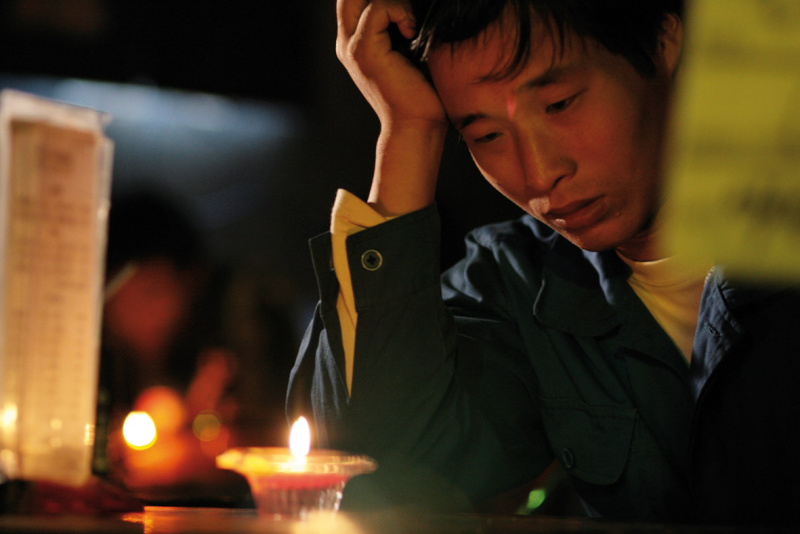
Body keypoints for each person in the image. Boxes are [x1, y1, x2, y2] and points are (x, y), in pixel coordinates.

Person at [287, 0, 800, 526]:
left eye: (559, 104)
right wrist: (408, 128)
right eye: (486, 136)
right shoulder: (524, 284)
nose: (539, 173)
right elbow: (373, 464)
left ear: (663, 41)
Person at [98, 188, 297, 503]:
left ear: (191, 282)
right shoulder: (97, 347)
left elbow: (288, 435)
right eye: (119, 299)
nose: (135, 317)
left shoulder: (242, 314)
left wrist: (200, 454)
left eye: (151, 293)